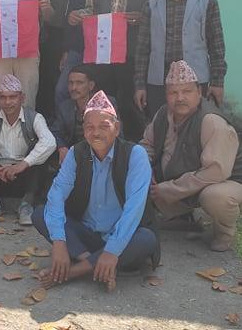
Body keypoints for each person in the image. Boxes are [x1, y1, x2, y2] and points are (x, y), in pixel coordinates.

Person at [33, 91, 159, 292]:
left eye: (104, 126)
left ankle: (73, 271)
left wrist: (112, 250)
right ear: (84, 131)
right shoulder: (76, 153)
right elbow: (56, 196)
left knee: (146, 239)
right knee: (41, 214)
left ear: (117, 129)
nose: (96, 133)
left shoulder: (135, 155)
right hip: (88, 234)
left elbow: (134, 210)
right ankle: (98, 266)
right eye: (90, 127)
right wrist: (59, 241)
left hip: (124, 236)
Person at [140, 60, 242, 252]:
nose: (180, 98)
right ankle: (181, 216)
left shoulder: (211, 121)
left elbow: (215, 173)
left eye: (186, 91)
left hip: (228, 181)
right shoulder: (163, 114)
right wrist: (144, 169)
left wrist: (170, 189)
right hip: (187, 179)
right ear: (166, 95)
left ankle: (224, 233)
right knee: (136, 176)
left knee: (215, 197)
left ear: (199, 92)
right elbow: (147, 145)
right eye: (173, 92)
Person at [80, 0, 160, 140]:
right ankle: (107, 146)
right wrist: (77, 15)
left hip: (133, 46)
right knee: (105, 100)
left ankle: (136, 147)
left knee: (130, 101)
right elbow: (90, 8)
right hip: (104, 48)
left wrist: (142, 17)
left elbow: (156, 8)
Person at [134, 0, 227, 117]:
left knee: (196, 125)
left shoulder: (206, 1)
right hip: (160, 82)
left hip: (196, 80)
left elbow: (217, 46)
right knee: (162, 125)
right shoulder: (152, 4)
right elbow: (142, 49)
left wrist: (217, 82)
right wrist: (139, 85)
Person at [0, 74, 56, 225]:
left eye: (12, 97)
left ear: (22, 98)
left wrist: (22, 165)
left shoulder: (35, 117)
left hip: (24, 177)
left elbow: (50, 142)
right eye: (3, 97)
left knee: (40, 149)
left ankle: (27, 204)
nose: (7, 102)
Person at [55, 0, 103, 106]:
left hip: (102, 46)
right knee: (62, 91)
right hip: (77, 46)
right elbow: (71, 13)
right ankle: (67, 122)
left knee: (98, 94)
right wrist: (66, 50)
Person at [51, 64, 117, 164]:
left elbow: (116, 134)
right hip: (75, 156)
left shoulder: (106, 103)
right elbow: (55, 132)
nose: (73, 87)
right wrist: (62, 147)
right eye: (71, 83)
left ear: (91, 86)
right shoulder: (65, 107)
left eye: (79, 83)